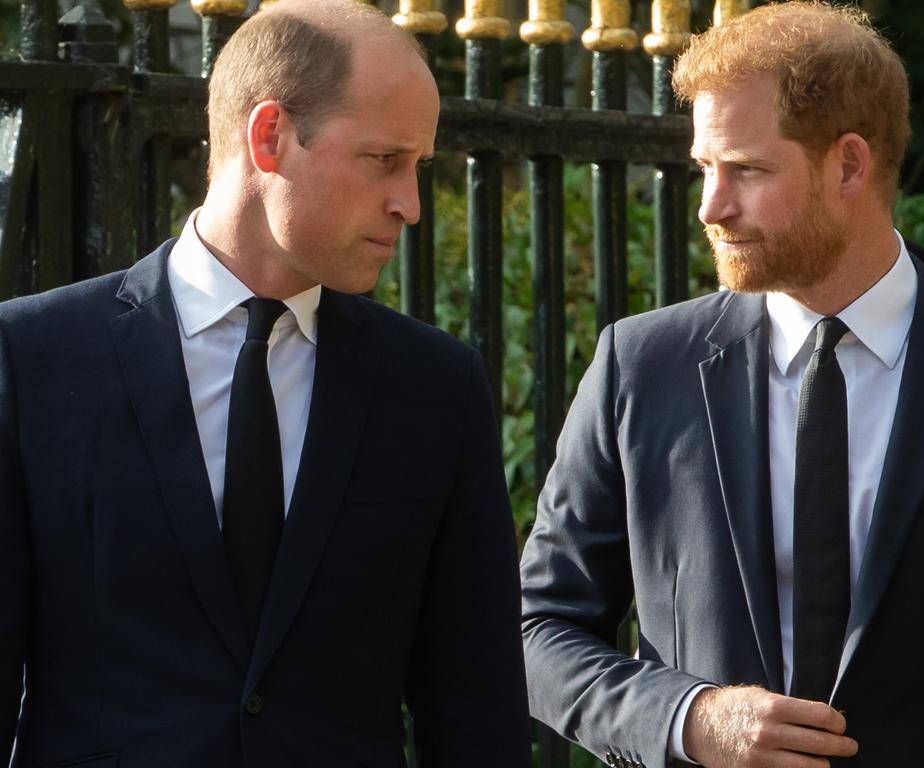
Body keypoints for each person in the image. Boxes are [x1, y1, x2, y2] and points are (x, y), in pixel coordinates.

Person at [0, 1, 531, 766]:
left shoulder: (435, 388)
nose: (409, 205)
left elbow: (476, 710)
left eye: (419, 168)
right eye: (385, 160)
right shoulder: (32, 358)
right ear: (269, 137)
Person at [520, 3, 924, 767]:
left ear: (849, 163)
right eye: (704, 167)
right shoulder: (641, 365)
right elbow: (538, 628)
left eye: (746, 170)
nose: (710, 207)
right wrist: (687, 720)